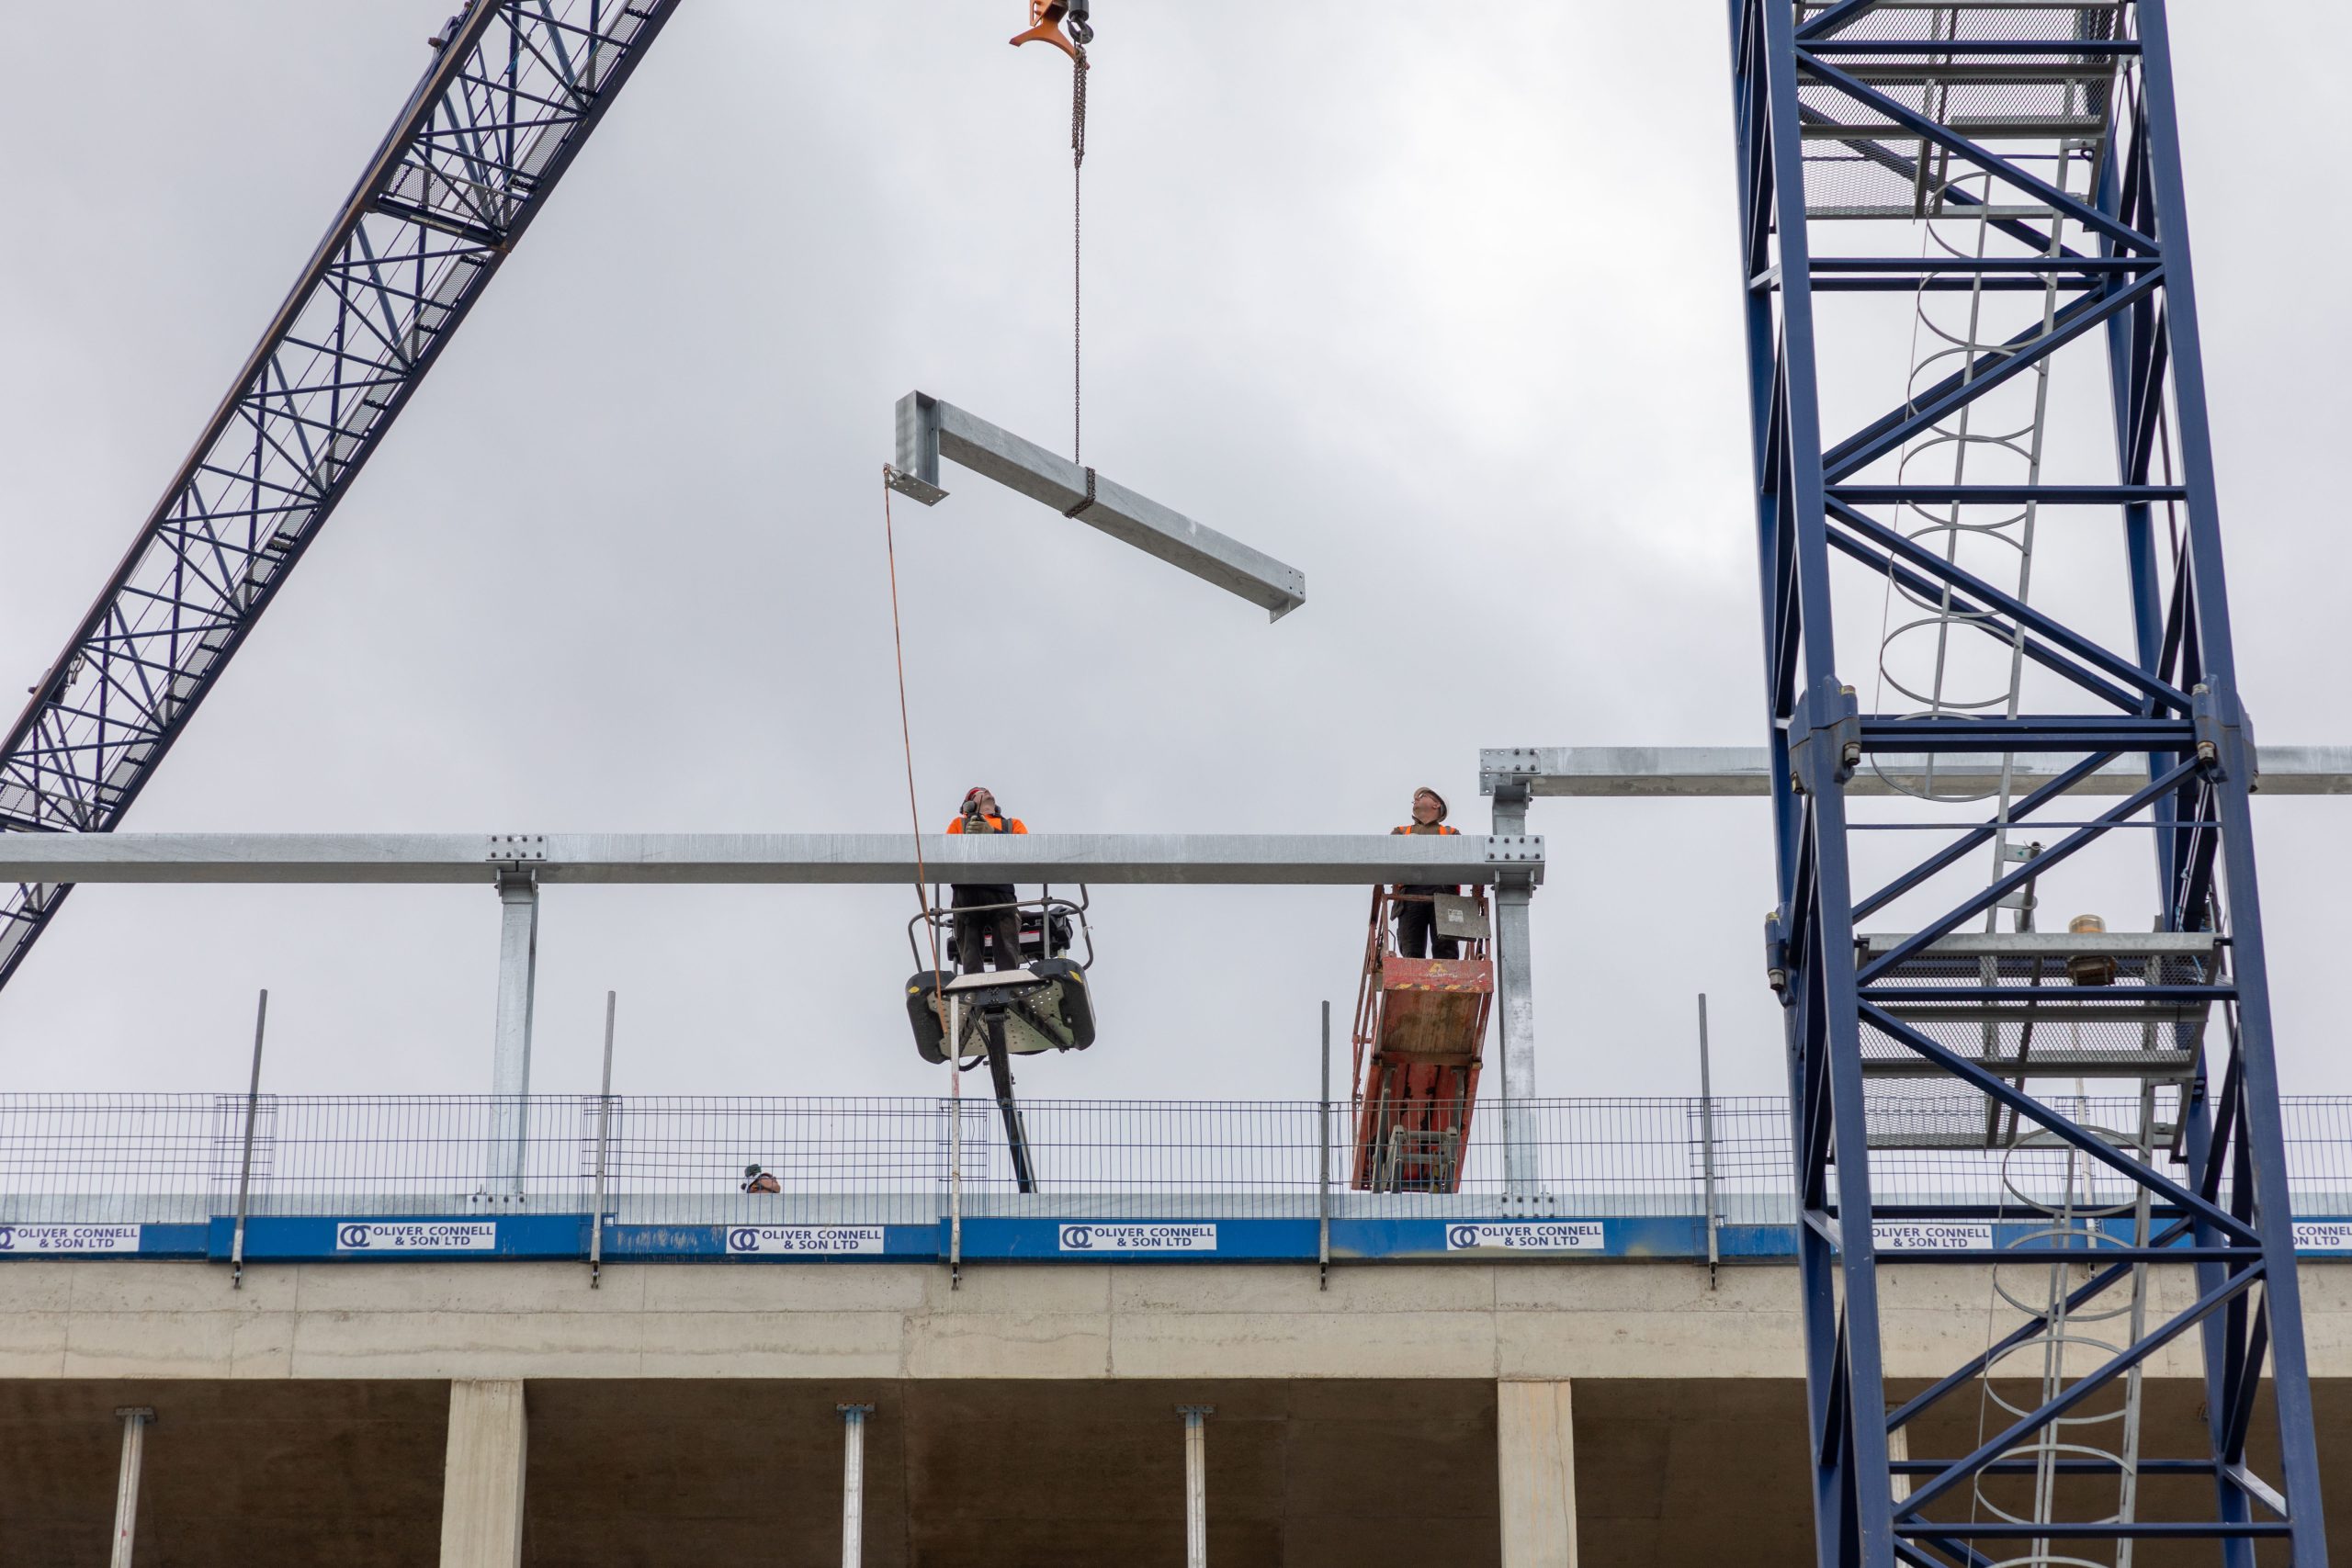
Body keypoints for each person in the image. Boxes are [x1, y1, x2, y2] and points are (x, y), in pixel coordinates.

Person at [946, 786, 1029, 974]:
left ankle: (1008, 977)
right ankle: (972, 981)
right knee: (969, 941)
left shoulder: (1011, 825)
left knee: (1006, 936)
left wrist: (992, 834)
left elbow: (1026, 849)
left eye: (986, 790)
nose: (986, 792)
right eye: (978, 792)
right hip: (966, 892)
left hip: (1000, 891)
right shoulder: (959, 824)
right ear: (969, 805)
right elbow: (946, 852)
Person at [1390, 786, 1462, 960]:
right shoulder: (1400, 831)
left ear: (1436, 804)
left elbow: (1461, 857)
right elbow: (1389, 852)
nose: (1415, 798)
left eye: (1422, 796)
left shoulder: (1451, 833)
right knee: (1411, 950)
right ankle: (1413, 983)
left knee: (1446, 948)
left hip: (1443, 890)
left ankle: (1447, 981)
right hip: (1410, 891)